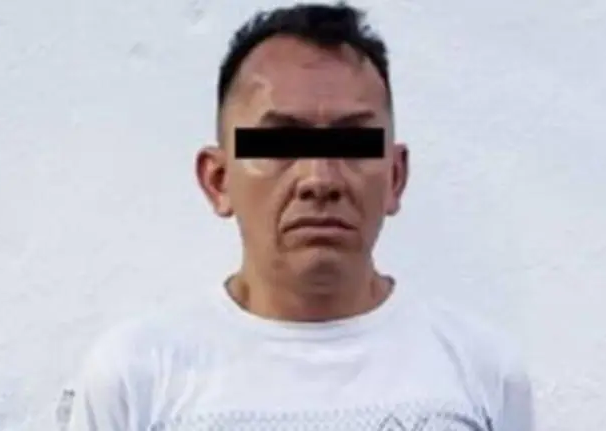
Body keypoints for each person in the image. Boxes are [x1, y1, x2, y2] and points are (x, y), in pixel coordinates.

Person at [59, 2, 534, 430]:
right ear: (219, 180)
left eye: (352, 143)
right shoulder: (137, 377)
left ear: (395, 176)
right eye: (281, 142)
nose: (319, 179)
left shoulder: (481, 371)